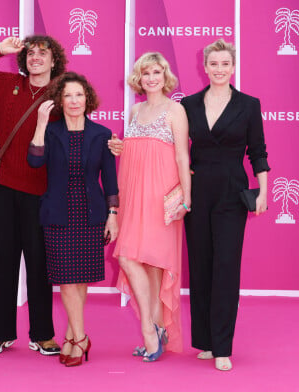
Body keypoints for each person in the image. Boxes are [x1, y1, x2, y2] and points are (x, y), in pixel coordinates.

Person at [0, 36, 67, 356]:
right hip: (6, 189)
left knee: (40, 265)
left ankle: (43, 334)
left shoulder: (63, 93)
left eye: (43, 53)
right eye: (30, 53)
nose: (35, 58)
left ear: (54, 61)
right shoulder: (7, 84)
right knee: (2, 262)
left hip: (44, 192)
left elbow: (81, 128)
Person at [180, 39, 270, 371]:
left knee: (226, 268)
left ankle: (223, 346)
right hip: (198, 193)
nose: (219, 69)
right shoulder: (188, 104)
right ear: (205, 67)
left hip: (232, 194)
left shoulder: (248, 104)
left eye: (225, 64)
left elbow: (257, 150)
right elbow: (172, 147)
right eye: (213, 64)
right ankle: (204, 340)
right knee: (201, 265)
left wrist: (263, 189)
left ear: (233, 67)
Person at [28, 72, 119, 367]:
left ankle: (71, 336)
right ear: (60, 101)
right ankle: (81, 338)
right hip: (58, 213)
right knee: (66, 280)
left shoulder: (102, 134)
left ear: (87, 98)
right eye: (68, 95)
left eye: (79, 94)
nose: (74, 100)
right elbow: (35, 161)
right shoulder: (52, 132)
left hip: (90, 213)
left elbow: (111, 180)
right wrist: (41, 124)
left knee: (80, 282)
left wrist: (113, 215)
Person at [113, 53, 191, 362]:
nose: (151, 78)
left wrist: (187, 196)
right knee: (131, 258)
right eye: (146, 73)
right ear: (139, 78)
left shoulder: (176, 110)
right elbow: (134, 150)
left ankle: (152, 329)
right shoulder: (135, 109)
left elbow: (183, 156)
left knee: (155, 265)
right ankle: (154, 328)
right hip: (132, 193)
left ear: (165, 75)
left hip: (162, 195)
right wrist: (117, 146)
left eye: (156, 72)